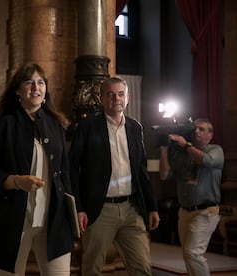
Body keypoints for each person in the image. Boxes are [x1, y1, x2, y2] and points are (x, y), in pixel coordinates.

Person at [0, 63, 74, 275]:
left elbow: (65, 174)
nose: (36, 87)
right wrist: (16, 181)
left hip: (54, 220)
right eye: (29, 82)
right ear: (17, 91)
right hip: (15, 220)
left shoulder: (57, 124)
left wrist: (73, 210)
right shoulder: (2, 126)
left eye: (41, 82)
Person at [69, 76, 160, 275]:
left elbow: (141, 171)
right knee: (92, 268)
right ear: (102, 99)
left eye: (120, 94)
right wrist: (79, 207)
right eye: (110, 94)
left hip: (131, 209)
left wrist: (152, 207)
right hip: (99, 210)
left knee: (142, 267)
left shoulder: (135, 128)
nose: (116, 98)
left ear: (127, 98)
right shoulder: (87, 127)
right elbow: (72, 168)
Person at [159, 118, 224, 276]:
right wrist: (163, 149)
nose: (196, 131)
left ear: (210, 134)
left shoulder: (215, 150)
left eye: (202, 129)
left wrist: (186, 145)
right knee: (187, 255)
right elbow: (164, 175)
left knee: (192, 253)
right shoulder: (182, 154)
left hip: (205, 211)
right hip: (185, 211)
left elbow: (206, 161)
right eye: (195, 128)